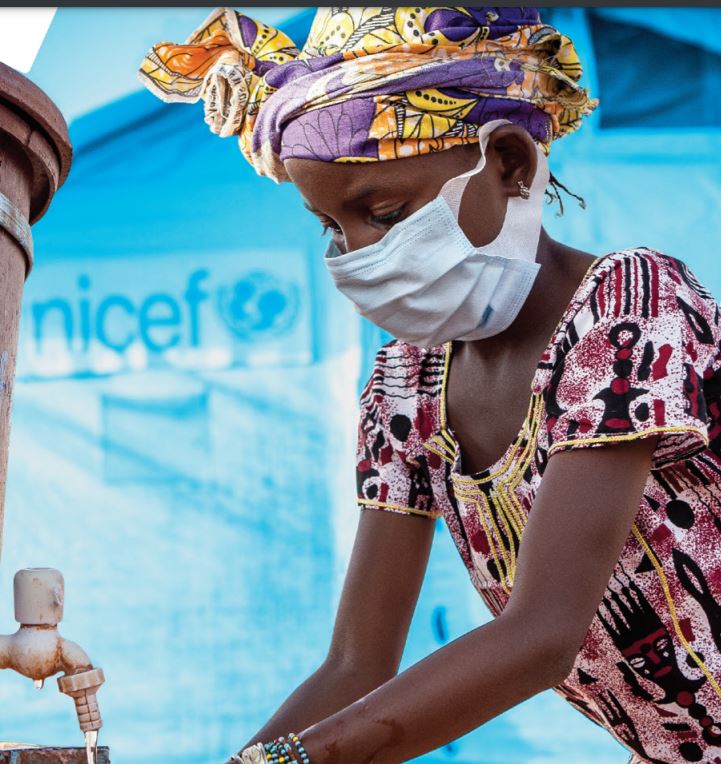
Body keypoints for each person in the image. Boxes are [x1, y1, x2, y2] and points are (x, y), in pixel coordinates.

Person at [139, 7, 721, 764]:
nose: (356, 255)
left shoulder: (628, 306)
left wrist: (293, 762)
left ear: (510, 162)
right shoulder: (405, 381)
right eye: (331, 229)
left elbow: (544, 634)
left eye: (383, 213)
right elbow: (355, 667)